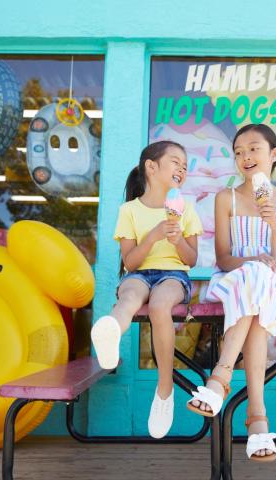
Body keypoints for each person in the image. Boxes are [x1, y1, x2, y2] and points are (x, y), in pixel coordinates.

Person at [187, 124, 276, 461]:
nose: (245, 157)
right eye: (238, 152)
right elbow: (223, 257)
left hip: (274, 281)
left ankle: (221, 380)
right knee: (255, 278)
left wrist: (272, 223)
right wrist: (253, 261)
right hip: (233, 278)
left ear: (274, 155)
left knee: (260, 287)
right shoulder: (226, 198)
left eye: (253, 149)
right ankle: (257, 419)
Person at [91, 140, 203, 439]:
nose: (182, 168)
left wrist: (178, 239)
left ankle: (164, 391)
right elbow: (129, 262)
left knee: (158, 305)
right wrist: (153, 235)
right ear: (151, 167)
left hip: (173, 276)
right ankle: (110, 331)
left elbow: (191, 259)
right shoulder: (129, 211)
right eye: (175, 161)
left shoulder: (186, 209)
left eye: (184, 164)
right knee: (128, 297)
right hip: (139, 273)